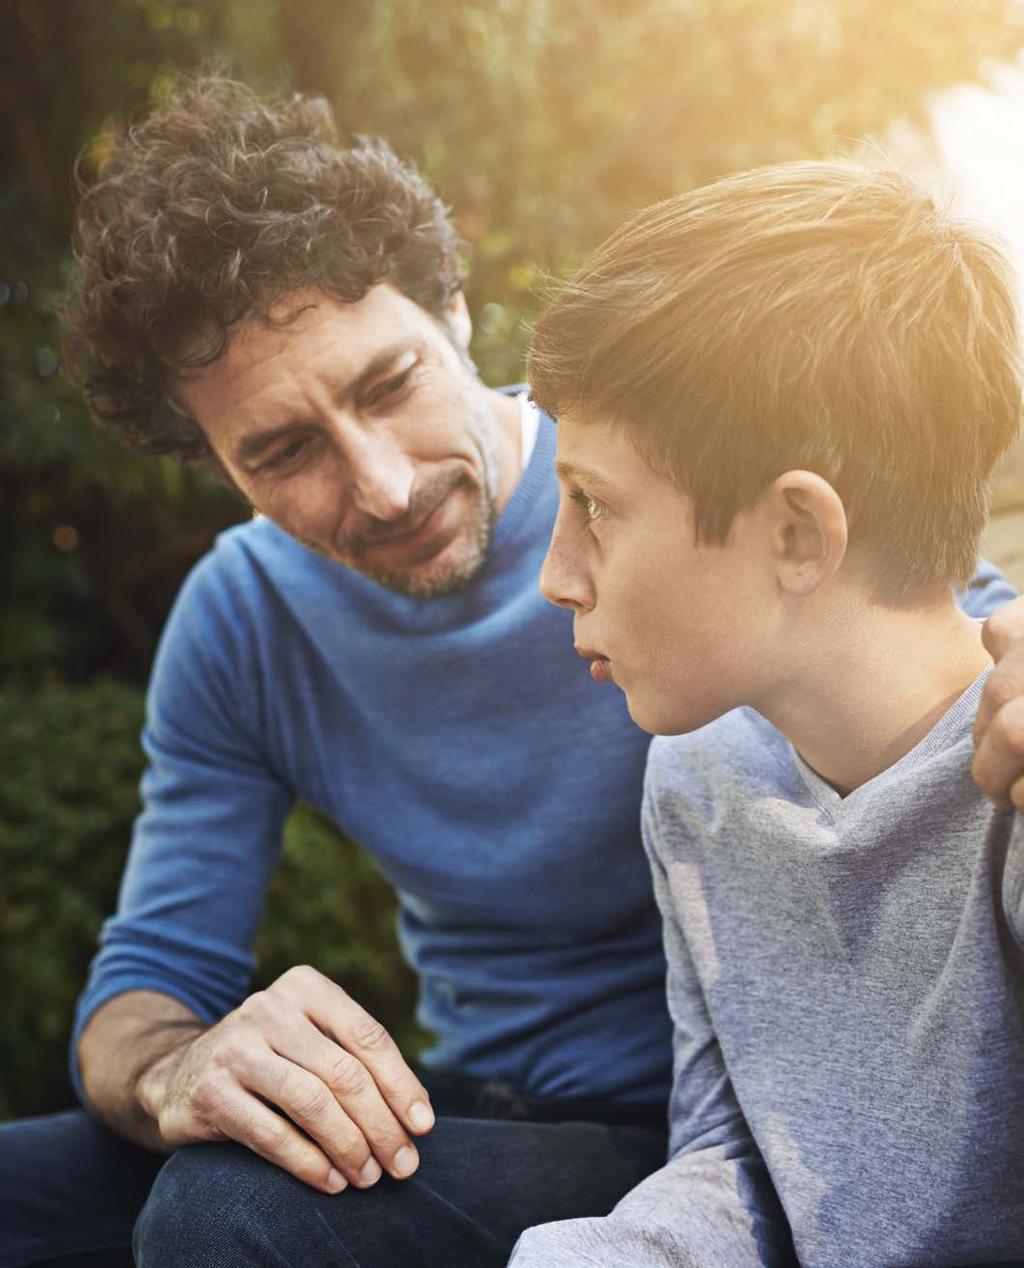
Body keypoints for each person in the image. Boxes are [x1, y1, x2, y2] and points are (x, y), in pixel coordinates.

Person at [0, 78, 1021, 1268]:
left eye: (389, 384)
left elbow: (908, 618)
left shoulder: (684, 501)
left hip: (673, 1129)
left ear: (455, 309)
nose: (381, 484)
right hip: (458, 1109)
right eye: (283, 451)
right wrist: (182, 1067)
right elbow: (151, 976)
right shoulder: (242, 621)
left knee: (234, 1210)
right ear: (216, 468)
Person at [511, 160, 1024, 1266]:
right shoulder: (696, 773)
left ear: (797, 533)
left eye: (596, 505)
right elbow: (735, 1146)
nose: (556, 573)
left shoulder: (1017, 784)